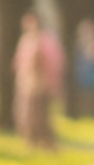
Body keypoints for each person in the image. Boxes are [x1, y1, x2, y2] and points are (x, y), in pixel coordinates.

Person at [12, 11, 63, 152]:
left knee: (41, 115)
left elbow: (54, 63)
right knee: (27, 114)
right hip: (26, 83)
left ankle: (47, 142)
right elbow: (19, 61)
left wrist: (52, 83)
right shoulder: (25, 40)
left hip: (41, 84)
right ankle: (31, 141)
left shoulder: (46, 40)